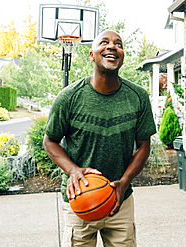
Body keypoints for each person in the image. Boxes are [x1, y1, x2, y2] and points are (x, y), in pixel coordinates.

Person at [43, 30, 156, 246]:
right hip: (80, 197)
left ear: (122, 55)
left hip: (120, 200)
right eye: (104, 42)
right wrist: (73, 170)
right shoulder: (69, 97)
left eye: (118, 44)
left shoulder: (138, 96)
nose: (112, 46)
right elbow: (50, 141)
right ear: (92, 54)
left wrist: (124, 182)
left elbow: (143, 146)